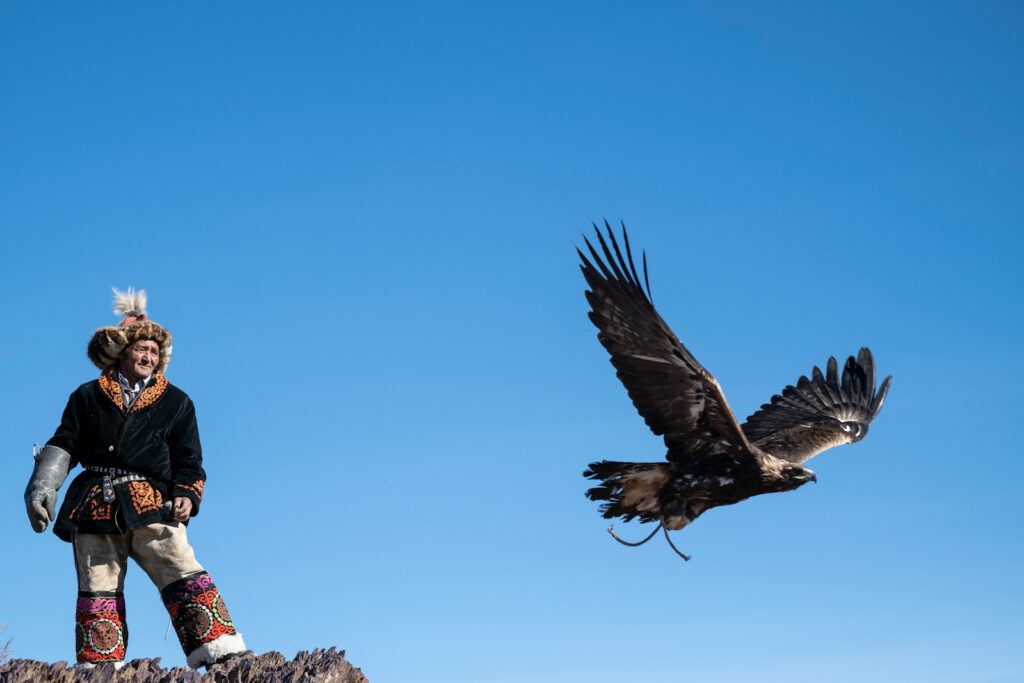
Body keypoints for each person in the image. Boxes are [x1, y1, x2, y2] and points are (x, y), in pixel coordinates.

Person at [24, 288, 248, 670]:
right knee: (98, 586)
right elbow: (64, 442)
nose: (148, 357)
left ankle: (221, 655)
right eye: (141, 349)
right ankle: (99, 669)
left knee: (181, 570)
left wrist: (187, 494)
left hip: (152, 501)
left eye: (154, 352)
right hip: (93, 502)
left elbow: (189, 458)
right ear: (123, 352)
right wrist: (43, 484)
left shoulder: (177, 401)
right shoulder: (87, 396)